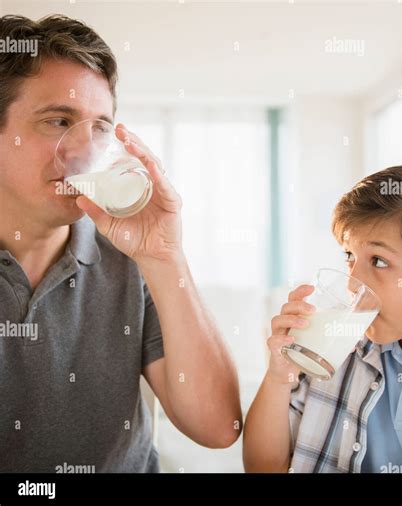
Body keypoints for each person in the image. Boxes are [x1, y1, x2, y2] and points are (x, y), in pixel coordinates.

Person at [0, 14, 241, 473]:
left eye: (100, 128)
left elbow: (218, 428)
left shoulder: (131, 258)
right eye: (58, 121)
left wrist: (165, 258)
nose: (84, 151)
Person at [243, 163, 402, 473]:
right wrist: (278, 376)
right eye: (349, 256)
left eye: (379, 261)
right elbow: (265, 468)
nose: (352, 283)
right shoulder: (337, 347)